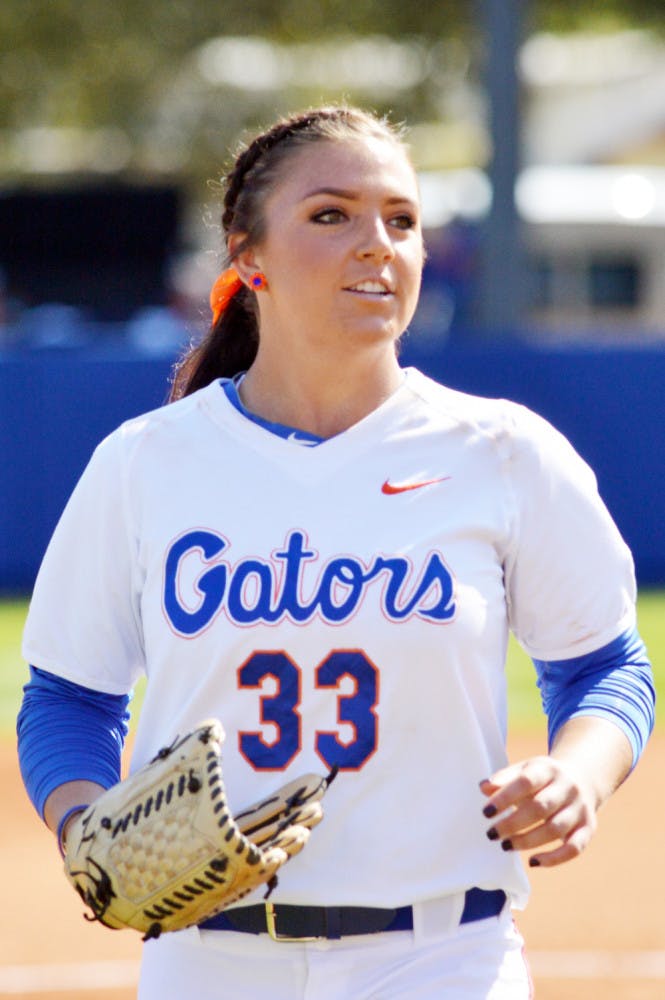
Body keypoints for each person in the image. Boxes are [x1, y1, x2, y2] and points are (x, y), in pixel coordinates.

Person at [17, 105, 654, 999]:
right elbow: (68, 695)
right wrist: (83, 821)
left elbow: (605, 667)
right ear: (248, 256)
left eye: (401, 220)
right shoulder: (146, 463)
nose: (377, 244)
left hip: (445, 957)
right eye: (331, 215)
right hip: (211, 959)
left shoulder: (502, 453)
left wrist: (577, 773)